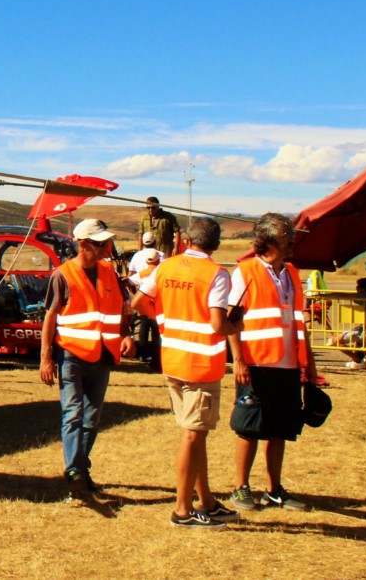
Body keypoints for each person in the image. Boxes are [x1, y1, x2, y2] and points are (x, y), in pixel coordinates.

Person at [134, 217, 243, 528]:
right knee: (192, 435)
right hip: (201, 364)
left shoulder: (167, 267)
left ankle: (206, 500)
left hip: (174, 361)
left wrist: (165, 320)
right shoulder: (216, 274)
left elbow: (139, 301)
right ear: (216, 245)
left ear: (189, 240)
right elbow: (218, 324)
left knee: (196, 435)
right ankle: (182, 509)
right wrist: (238, 324)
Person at [228, 213, 319, 512]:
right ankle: (241, 487)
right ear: (267, 240)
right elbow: (233, 320)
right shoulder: (245, 271)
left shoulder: (293, 273)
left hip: (288, 364)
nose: (292, 241)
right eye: (285, 236)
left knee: (280, 428)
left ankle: (274, 490)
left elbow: (299, 321)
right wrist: (238, 361)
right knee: (249, 427)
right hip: (256, 362)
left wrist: (309, 364)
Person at [39, 219, 135, 499]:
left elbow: (121, 308)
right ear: (84, 245)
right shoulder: (63, 275)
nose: (108, 247)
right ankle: (74, 472)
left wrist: (126, 333)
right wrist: (46, 358)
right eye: (102, 243)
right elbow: (50, 317)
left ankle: (80, 468)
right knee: (73, 414)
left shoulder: (109, 272)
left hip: (103, 355)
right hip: (71, 356)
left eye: (108, 242)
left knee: (91, 419)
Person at [127, 231, 165, 366]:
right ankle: (156, 357)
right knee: (156, 331)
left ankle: (142, 354)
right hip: (157, 302)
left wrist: (134, 292)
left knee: (143, 327)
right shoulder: (161, 259)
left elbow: (130, 276)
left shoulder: (137, 257)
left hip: (142, 300)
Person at [330, 278, 366, 369]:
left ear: (362, 289)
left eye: (357, 287)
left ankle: (357, 359)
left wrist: (325, 295)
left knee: (336, 341)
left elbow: (344, 296)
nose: (356, 289)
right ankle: (359, 359)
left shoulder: (364, 296)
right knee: (356, 339)